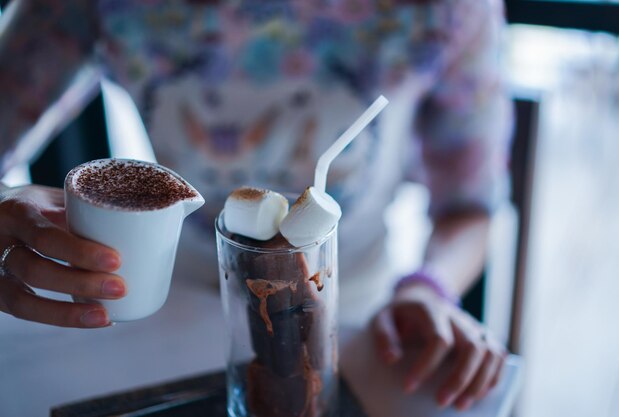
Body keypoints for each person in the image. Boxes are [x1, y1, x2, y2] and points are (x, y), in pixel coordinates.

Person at [0, 0, 511, 411]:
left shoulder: (445, 10)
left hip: (354, 320)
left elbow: (471, 208)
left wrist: (429, 288)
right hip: (170, 309)